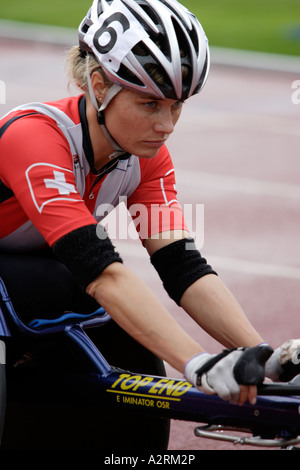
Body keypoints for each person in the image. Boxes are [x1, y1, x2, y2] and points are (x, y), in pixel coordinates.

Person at [0, 0, 298, 448]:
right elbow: (101, 272)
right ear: (98, 85)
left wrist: (262, 356)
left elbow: (183, 267)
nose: (166, 125)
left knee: (127, 346)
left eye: (177, 105)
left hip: (39, 279)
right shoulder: (34, 137)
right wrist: (195, 362)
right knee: (74, 287)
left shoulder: (145, 156)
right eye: (149, 103)